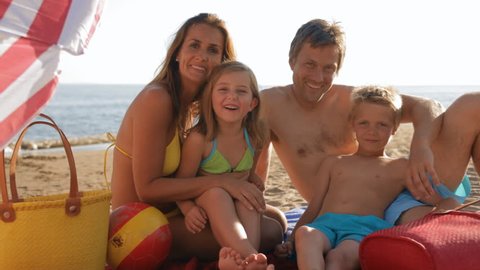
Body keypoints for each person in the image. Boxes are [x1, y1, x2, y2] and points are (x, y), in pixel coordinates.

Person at [256, 18, 480, 226]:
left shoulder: (351, 100)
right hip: (359, 209)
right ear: (292, 61)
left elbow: (428, 106)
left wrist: (420, 146)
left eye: (328, 68)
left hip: (402, 185)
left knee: (473, 104)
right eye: (310, 65)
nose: (318, 77)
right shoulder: (269, 105)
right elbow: (255, 167)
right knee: (436, 222)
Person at [110, 13, 283, 262]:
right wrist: (224, 182)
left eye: (213, 50)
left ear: (221, 62)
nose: (202, 56)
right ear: (177, 52)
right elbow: (147, 190)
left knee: (275, 218)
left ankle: (245, 258)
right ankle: (250, 260)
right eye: (194, 45)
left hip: (173, 211)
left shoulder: (194, 108)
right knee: (269, 232)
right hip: (138, 226)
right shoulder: (157, 99)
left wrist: (242, 184)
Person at [275, 86, 459, 269]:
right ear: (352, 124)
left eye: (382, 124)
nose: (372, 131)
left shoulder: (400, 167)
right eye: (364, 123)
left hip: (363, 229)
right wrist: (291, 240)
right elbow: (314, 207)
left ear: (394, 128)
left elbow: (437, 198)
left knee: (337, 258)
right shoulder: (334, 163)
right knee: (306, 234)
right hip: (325, 224)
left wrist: (447, 204)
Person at [175, 61, 271, 268]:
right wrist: (188, 208)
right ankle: (252, 257)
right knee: (217, 193)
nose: (232, 96)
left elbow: (249, 172)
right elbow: (181, 183)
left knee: (249, 197)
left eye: (241, 91)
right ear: (210, 97)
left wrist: (253, 180)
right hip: (208, 201)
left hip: (237, 201)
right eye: (223, 89)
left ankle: (245, 262)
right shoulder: (201, 139)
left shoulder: (255, 136)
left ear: (253, 103)